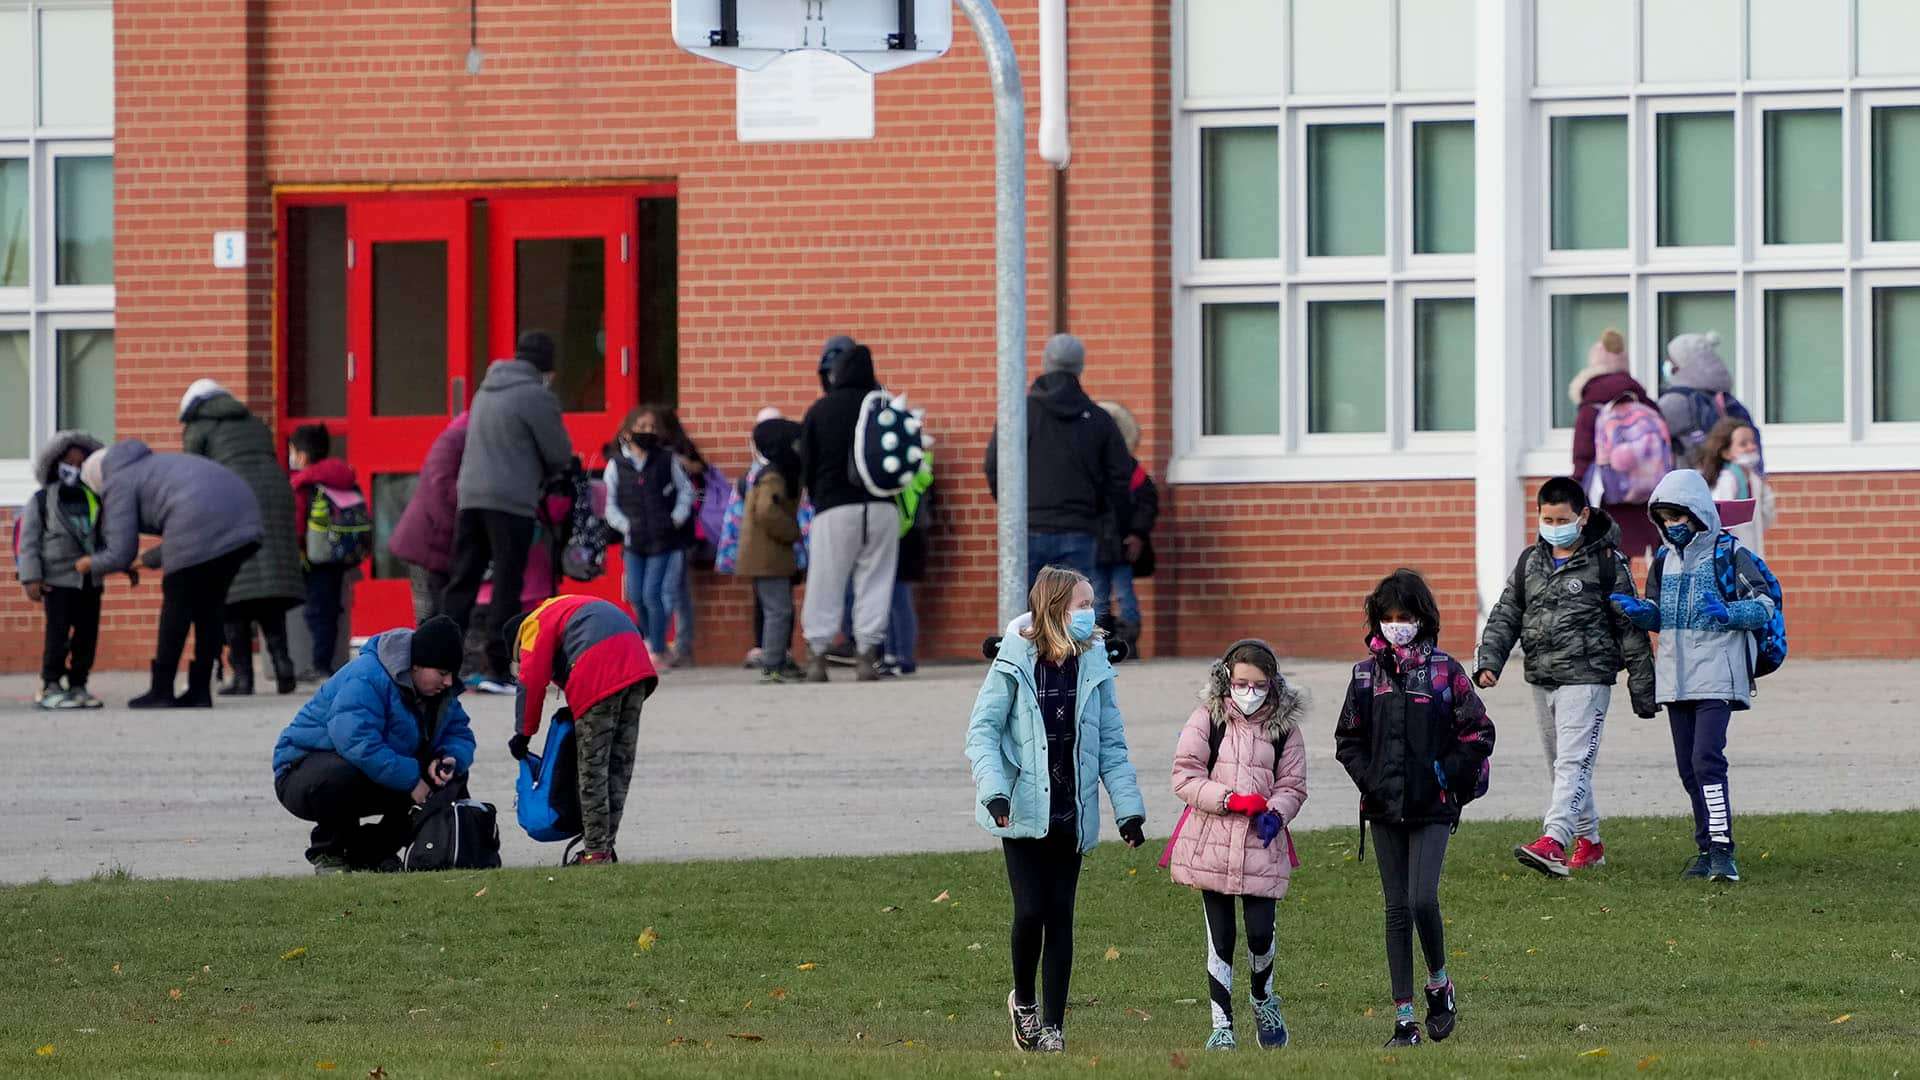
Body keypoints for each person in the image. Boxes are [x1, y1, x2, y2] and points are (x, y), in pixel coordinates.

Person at [964, 566, 1147, 1055]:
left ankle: (1054, 1026)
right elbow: (981, 733)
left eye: (1092, 605)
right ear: (1055, 608)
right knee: (1030, 910)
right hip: (1021, 808)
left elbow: (1111, 742)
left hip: (1072, 807)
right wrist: (995, 791)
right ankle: (1023, 1004)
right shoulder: (1014, 660)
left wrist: (1128, 811)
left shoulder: (1095, 665)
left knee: (1060, 916)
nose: (1093, 614)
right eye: (1083, 605)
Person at [1333, 569, 1495, 1048]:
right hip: (1384, 808)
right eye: (1388, 617)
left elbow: (1479, 734)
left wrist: (1445, 774)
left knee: (1423, 898)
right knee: (1395, 909)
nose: (1396, 624)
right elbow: (1348, 740)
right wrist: (1372, 780)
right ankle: (1404, 1019)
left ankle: (1439, 984)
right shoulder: (1364, 676)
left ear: (1422, 619)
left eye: (1405, 616)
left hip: (1433, 807)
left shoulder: (1446, 671)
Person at [1474, 477, 1656, 878]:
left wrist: (1643, 689)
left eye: (1563, 518)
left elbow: (1631, 627)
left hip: (1588, 678)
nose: (1554, 525)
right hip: (1542, 677)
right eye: (1547, 517)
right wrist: (1490, 661)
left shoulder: (1607, 562)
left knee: (1573, 763)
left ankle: (1553, 841)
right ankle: (1589, 843)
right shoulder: (1530, 562)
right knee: (1561, 765)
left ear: (1583, 516)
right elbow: (1506, 614)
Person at [1610, 470, 1777, 885]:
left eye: (1677, 517)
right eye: (1664, 519)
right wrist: (1640, 612)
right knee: (1689, 767)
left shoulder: (1730, 553)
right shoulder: (1663, 560)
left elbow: (1765, 604)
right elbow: (1659, 614)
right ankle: (1704, 849)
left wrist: (1730, 613)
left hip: (1718, 675)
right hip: (1675, 678)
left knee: (1707, 760)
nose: (1671, 526)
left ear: (1698, 514)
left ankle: (1723, 850)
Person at [1167, 639, 1307, 1052]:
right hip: (1211, 844)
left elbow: (1293, 785)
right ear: (1227, 679)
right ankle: (1221, 1023)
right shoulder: (1207, 719)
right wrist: (1227, 799)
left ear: (1273, 685)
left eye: (1259, 685)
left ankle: (1263, 997)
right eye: (1241, 683)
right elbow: (1185, 776)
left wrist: (1276, 812)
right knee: (1221, 935)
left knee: (1261, 933)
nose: (1249, 692)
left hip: (1262, 847)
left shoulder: (1284, 730)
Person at [271, 616, 474, 874]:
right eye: (442, 673)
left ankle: (371, 852)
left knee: (450, 776)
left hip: (377, 769)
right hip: (302, 773)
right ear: (415, 665)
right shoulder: (367, 675)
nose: (448, 682)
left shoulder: (440, 692)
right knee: (340, 774)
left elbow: (461, 734)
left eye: (452, 675)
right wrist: (412, 778)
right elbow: (355, 740)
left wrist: (447, 757)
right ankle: (328, 852)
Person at [77, 440, 264, 708]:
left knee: (177, 606)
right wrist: (144, 561)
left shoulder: (117, 481)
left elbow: (121, 551)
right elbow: (191, 537)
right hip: (245, 523)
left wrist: (89, 564)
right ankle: (200, 690)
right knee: (210, 607)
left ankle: (161, 689)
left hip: (201, 523)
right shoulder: (153, 466)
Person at [442, 330, 575, 693]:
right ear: (546, 366)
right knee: (507, 582)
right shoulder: (536, 395)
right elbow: (559, 452)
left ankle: (440, 664)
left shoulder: (485, 390)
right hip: (511, 500)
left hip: (471, 497)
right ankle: (498, 667)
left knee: (463, 580)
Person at [503, 596, 659, 865]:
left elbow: (532, 680)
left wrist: (524, 733)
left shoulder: (533, 624)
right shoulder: (564, 606)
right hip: (637, 667)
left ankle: (595, 853)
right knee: (618, 765)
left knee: (592, 768)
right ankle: (605, 847)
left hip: (599, 672)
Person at [179, 379, 304, 696]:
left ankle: (244, 677)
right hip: (274, 495)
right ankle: (283, 666)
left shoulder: (199, 427)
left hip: (231, 497)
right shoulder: (253, 422)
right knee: (267, 592)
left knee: (232, 593)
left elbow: (195, 473)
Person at [984, 333, 1133, 585]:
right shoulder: (1099, 420)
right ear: (1080, 367)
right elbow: (1119, 477)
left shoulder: (1020, 415)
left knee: (1025, 617)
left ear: (1045, 363)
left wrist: (1015, 507)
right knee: (1074, 615)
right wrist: (1103, 516)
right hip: (1080, 530)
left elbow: (994, 467)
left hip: (1027, 529)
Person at [798, 340, 901, 683]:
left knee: (825, 581)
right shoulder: (883, 405)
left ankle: (817, 656)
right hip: (883, 507)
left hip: (833, 508)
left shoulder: (821, 410)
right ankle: (866, 655)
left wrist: (815, 495)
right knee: (876, 580)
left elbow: (807, 464)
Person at [18, 431, 110, 709]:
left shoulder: (95, 498)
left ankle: (79, 683)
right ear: (56, 464)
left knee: (87, 635)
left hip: (90, 580)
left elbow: (106, 536)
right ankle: (51, 684)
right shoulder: (42, 500)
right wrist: (31, 577)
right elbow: (29, 541)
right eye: (69, 462)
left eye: (82, 463)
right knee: (57, 635)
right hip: (57, 580)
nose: (76, 468)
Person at [603, 406, 694, 665]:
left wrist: (676, 517)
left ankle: (656, 648)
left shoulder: (666, 460)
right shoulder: (616, 465)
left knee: (653, 593)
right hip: (634, 540)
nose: (647, 432)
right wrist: (624, 525)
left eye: (652, 428)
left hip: (662, 538)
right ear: (627, 431)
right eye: (641, 427)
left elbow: (685, 490)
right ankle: (649, 639)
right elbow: (609, 503)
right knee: (635, 594)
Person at [1568, 329, 1664, 560]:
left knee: (1610, 559)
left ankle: (1616, 595)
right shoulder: (1644, 402)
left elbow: (1583, 454)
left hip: (1607, 495)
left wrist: (1576, 487)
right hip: (1647, 493)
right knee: (1657, 559)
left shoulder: (1591, 406)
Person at [287, 424, 366, 681]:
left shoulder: (304, 484)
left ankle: (320, 664)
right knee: (331, 609)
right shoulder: (342, 478)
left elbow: (298, 524)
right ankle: (329, 661)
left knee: (317, 611)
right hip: (340, 554)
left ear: (302, 455)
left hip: (314, 558)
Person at [736, 416, 805, 684]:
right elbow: (766, 511)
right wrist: (792, 532)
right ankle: (772, 663)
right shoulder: (773, 477)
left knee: (781, 608)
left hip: (771, 557)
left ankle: (780, 659)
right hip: (768, 558)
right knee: (778, 611)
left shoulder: (773, 474)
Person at [652, 405, 722, 667]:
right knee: (673, 590)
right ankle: (676, 646)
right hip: (673, 529)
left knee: (673, 590)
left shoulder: (677, 453)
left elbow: (699, 472)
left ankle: (673, 647)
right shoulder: (666, 452)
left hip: (682, 530)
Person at [389, 411, 470, 625]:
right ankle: (427, 655)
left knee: (442, 611)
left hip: (436, 542)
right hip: (427, 543)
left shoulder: (462, 442)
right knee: (431, 613)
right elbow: (443, 489)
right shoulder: (454, 441)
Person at [1094, 401, 1157, 654]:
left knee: (1123, 592)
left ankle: (1129, 640)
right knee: (1097, 594)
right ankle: (1099, 641)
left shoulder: (1133, 470)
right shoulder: (1088, 469)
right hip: (1096, 545)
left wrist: (1138, 534)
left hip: (1121, 545)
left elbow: (1147, 503)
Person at [1659, 331, 1762, 470]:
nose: (1667, 365)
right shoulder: (1726, 400)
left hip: (1692, 481)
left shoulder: (1675, 401)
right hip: (1734, 479)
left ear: (1681, 366)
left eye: (1671, 360)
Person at [886, 448, 935, 676]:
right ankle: (899, 655)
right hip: (914, 537)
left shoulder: (901, 467)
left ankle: (899, 656)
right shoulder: (921, 467)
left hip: (901, 536)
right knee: (898, 599)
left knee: (897, 599)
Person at [1697, 418, 1776, 556]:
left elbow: (1765, 518)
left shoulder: (1754, 479)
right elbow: (1719, 522)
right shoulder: (1727, 479)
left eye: (1752, 442)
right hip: (1732, 556)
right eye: (1743, 444)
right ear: (1726, 453)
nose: (1751, 447)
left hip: (1752, 553)